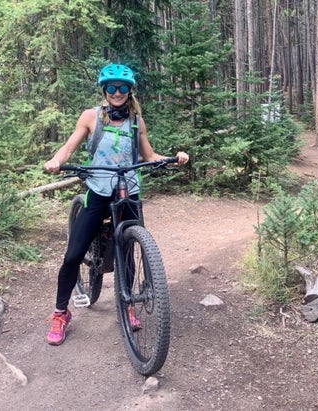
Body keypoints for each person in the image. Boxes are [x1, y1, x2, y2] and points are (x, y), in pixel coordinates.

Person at [43, 63, 189, 346]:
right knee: (74, 254)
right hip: (99, 189)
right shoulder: (91, 117)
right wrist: (57, 161)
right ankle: (60, 313)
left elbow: (148, 155)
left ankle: (128, 303)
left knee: (130, 248)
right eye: (112, 87)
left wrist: (173, 158)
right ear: (105, 90)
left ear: (129, 90)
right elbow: (69, 146)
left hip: (128, 190)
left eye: (123, 88)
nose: (117, 92)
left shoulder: (136, 121)